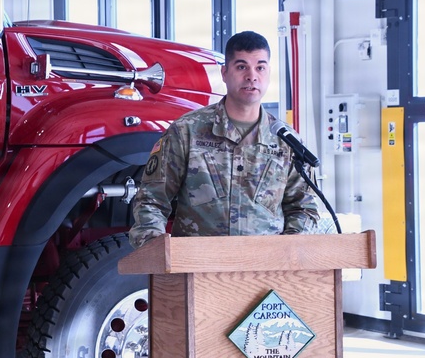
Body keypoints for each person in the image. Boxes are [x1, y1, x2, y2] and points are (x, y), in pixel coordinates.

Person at [129, 30, 319, 248]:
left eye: (260, 67)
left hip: (265, 266)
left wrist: (289, 253)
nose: (252, 76)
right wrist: (155, 251)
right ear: (224, 73)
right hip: (197, 263)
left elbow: (304, 208)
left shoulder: (286, 141)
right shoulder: (187, 131)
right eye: (241, 67)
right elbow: (151, 200)